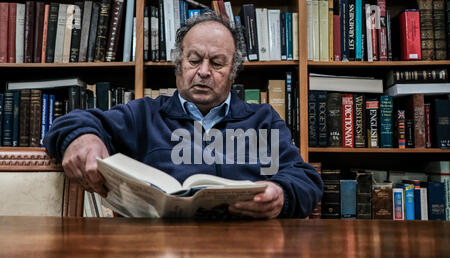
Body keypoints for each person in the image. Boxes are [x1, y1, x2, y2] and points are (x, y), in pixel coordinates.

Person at [44, 12, 323, 219]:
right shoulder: (144, 114)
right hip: (156, 254)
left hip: (247, 252)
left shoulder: (263, 119)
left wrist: (281, 196)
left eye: (216, 63)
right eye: (194, 60)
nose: (203, 71)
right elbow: (71, 122)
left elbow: (305, 179)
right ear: (178, 65)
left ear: (233, 72)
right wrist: (82, 138)